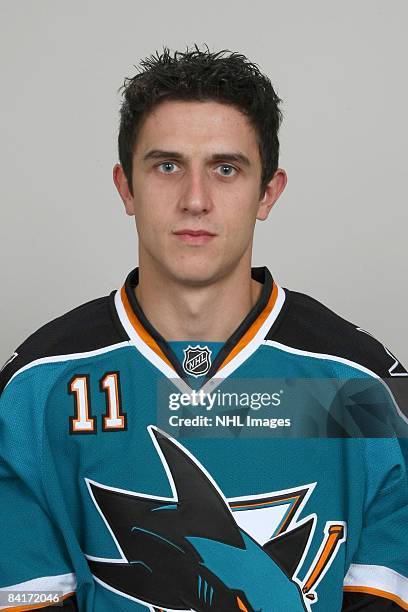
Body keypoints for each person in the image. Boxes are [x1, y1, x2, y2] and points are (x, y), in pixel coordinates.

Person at [0, 44, 407, 612]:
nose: (195, 199)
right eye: (167, 166)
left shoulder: (361, 387)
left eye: (226, 169)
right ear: (126, 188)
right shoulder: (34, 389)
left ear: (268, 192)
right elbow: (30, 595)